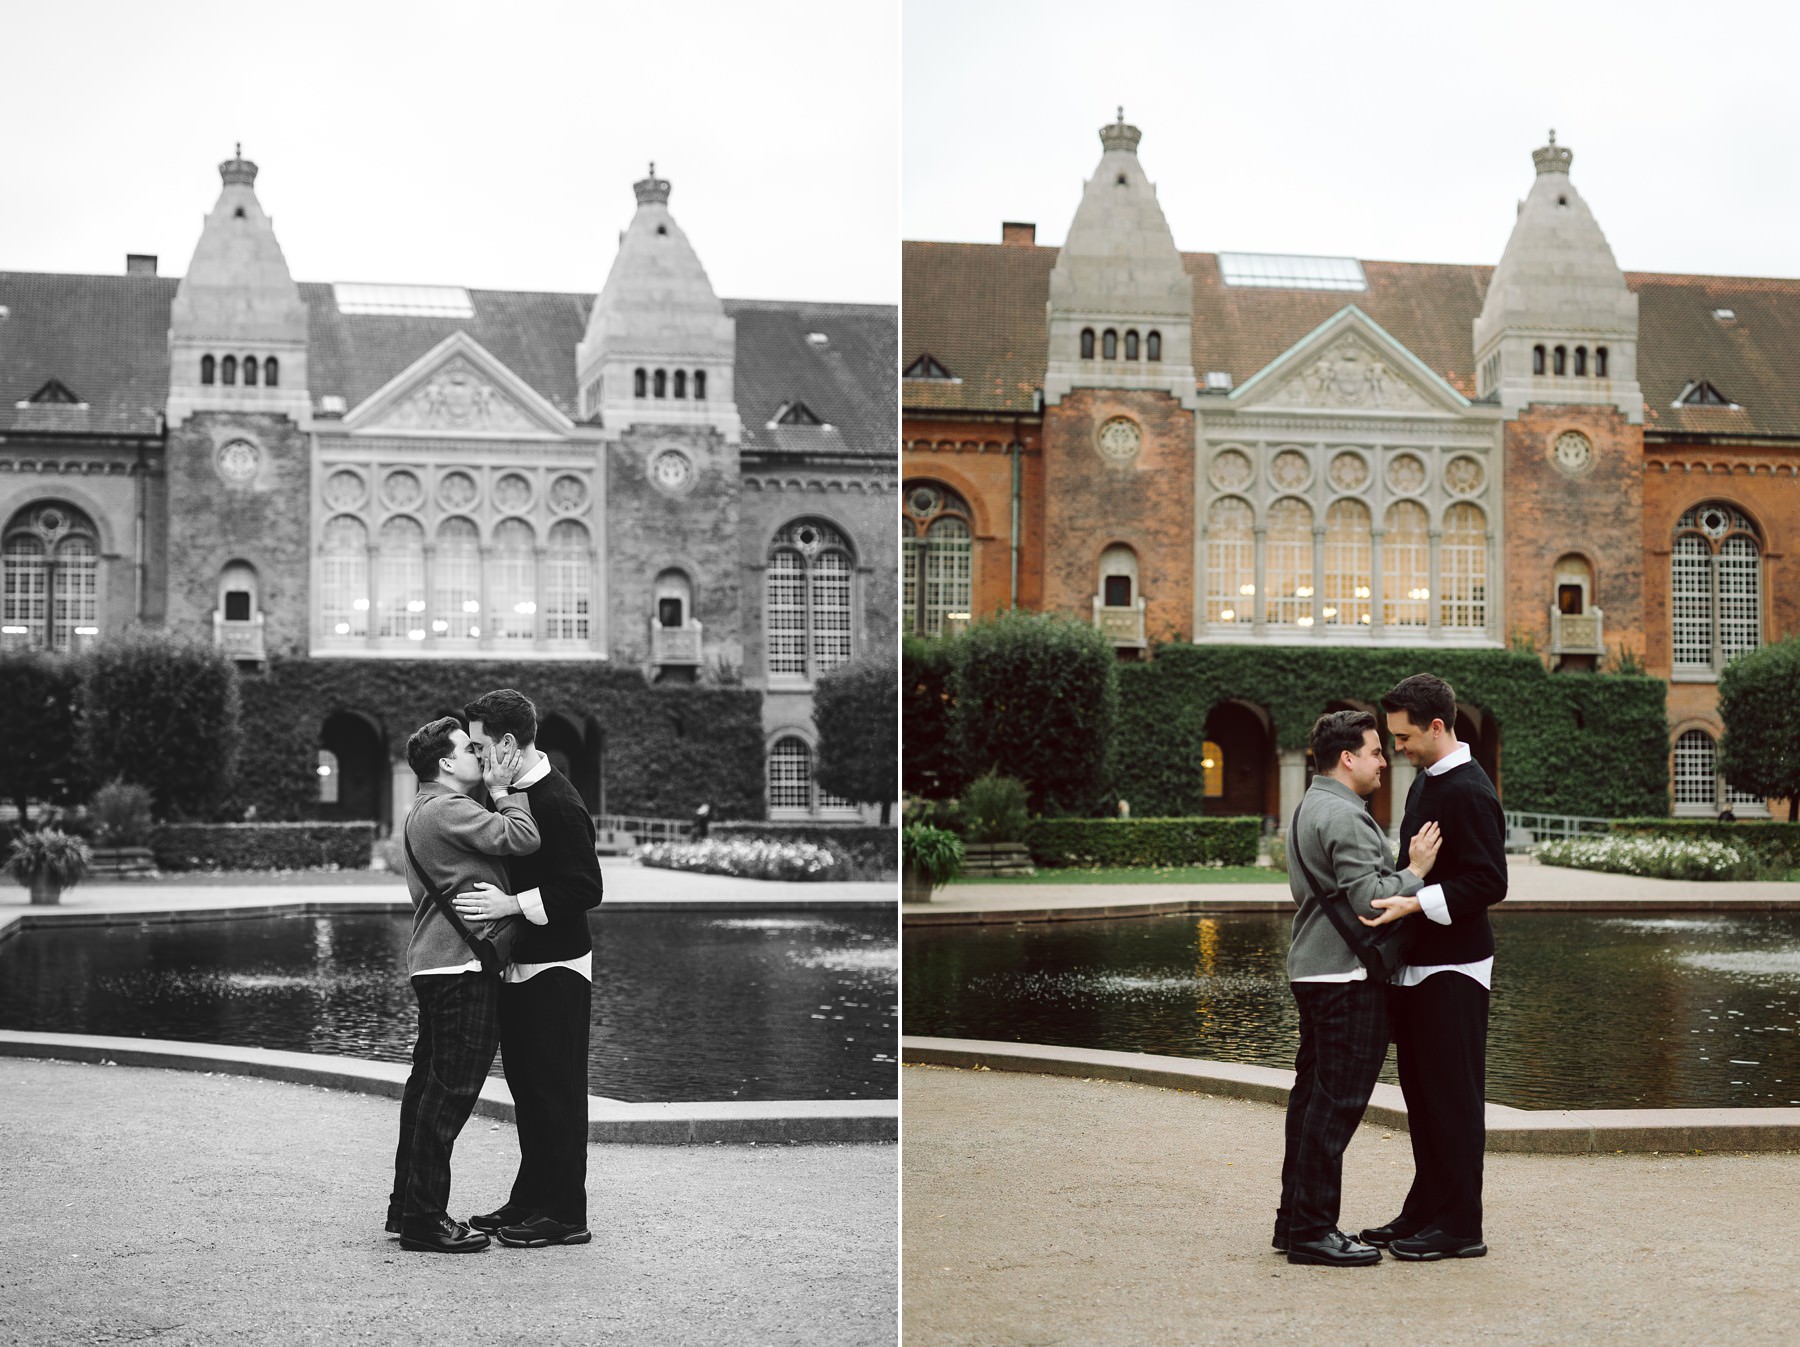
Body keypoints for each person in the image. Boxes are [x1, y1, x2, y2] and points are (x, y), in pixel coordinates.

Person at [1276, 709, 1440, 1267]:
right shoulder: (1344, 815)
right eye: (1375, 752)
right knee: (1336, 1106)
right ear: (1347, 758)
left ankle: (1293, 1222)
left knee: (1310, 1102)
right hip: (1346, 977)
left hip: (1316, 971)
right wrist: (1416, 871)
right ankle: (1314, 1232)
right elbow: (1372, 902)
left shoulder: (1309, 806)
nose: (1382, 761)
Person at [1359, 672, 1508, 1261]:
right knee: (1422, 1098)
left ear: (1438, 726)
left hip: (1456, 968)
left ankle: (1461, 1227)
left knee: (1453, 1099)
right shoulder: (1427, 780)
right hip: (1420, 964)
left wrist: (1415, 900)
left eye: (1403, 737)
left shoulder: (1470, 789)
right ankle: (1425, 1210)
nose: (1396, 748)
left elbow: (1490, 881)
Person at [453, 689, 605, 1249]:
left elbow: (587, 888)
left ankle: (565, 1214)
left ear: (509, 744)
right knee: (528, 1089)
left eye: (480, 744)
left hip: (559, 966)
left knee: (556, 1092)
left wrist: (512, 906)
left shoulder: (558, 800)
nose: (474, 754)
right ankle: (530, 1198)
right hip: (520, 964)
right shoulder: (508, 795)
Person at [388, 716, 537, 1254]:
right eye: (469, 750)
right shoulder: (450, 807)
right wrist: (502, 791)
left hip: (438, 965)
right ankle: (425, 1221)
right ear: (447, 764)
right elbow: (522, 836)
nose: (480, 755)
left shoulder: (422, 810)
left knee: (427, 1089)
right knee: (449, 1096)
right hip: (460, 968)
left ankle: (407, 1208)